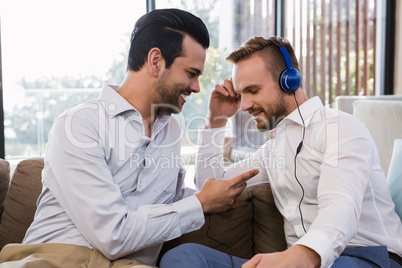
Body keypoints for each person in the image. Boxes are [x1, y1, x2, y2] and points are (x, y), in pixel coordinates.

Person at [0, 9, 259, 268]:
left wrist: (216, 123)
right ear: (155, 61)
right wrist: (200, 203)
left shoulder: (170, 132)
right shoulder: (79, 125)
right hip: (54, 259)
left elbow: (190, 195)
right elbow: (113, 237)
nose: (196, 87)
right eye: (191, 73)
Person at [160, 36, 402, 267]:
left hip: (366, 258)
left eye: (253, 91)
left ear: (290, 81)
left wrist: (301, 256)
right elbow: (210, 186)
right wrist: (216, 121)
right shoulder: (272, 151)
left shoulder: (341, 129)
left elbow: (340, 207)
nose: (244, 106)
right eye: (241, 94)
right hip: (293, 262)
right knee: (182, 256)